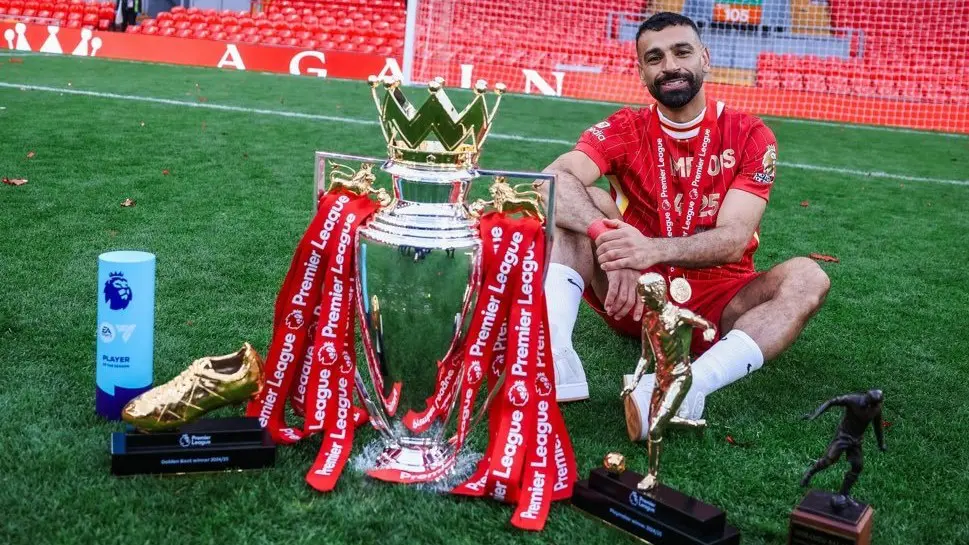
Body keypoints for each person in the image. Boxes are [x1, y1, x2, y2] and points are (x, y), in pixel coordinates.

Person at [539, 12, 831, 441]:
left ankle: (689, 384)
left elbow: (734, 240)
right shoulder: (624, 128)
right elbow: (553, 181)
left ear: (705, 58)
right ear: (641, 73)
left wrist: (649, 250)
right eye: (654, 58)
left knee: (809, 276)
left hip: (719, 303)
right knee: (586, 205)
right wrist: (610, 242)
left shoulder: (750, 134)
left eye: (681, 51)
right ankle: (556, 357)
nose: (669, 65)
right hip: (634, 294)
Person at [800, 390, 887, 509]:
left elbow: (878, 427)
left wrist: (881, 443)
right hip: (843, 435)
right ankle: (810, 473)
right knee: (829, 460)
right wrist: (814, 414)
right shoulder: (853, 399)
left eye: (874, 405)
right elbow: (832, 402)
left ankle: (844, 492)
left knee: (857, 466)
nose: (871, 407)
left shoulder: (876, 409)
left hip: (856, 440)